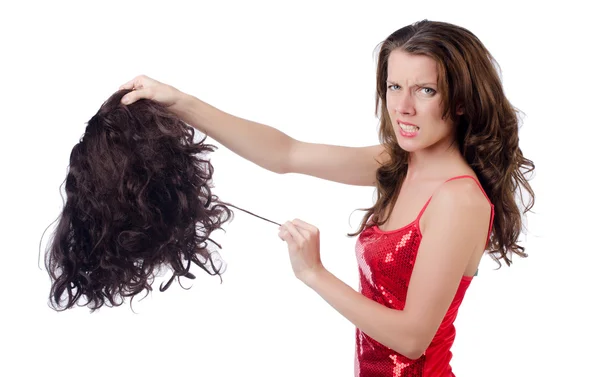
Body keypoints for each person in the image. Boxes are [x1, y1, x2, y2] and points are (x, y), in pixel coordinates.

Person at [119, 19, 535, 376]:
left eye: (425, 90)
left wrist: (314, 273)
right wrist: (179, 102)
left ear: (460, 101)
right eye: (394, 86)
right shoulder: (399, 164)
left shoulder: (458, 200)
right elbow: (287, 153)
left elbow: (411, 339)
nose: (403, 107)